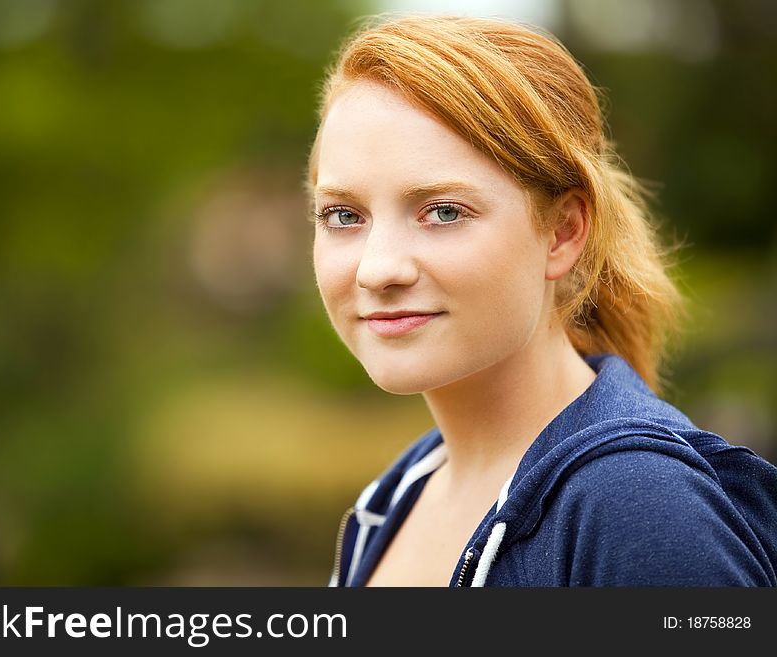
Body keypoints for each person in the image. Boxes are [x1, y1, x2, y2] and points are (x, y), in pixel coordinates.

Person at [307, 15, 777, 586]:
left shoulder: (640, 508)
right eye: (343, 216)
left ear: (562, 233)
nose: (378, 269)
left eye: (444, 211)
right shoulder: (396, 496)